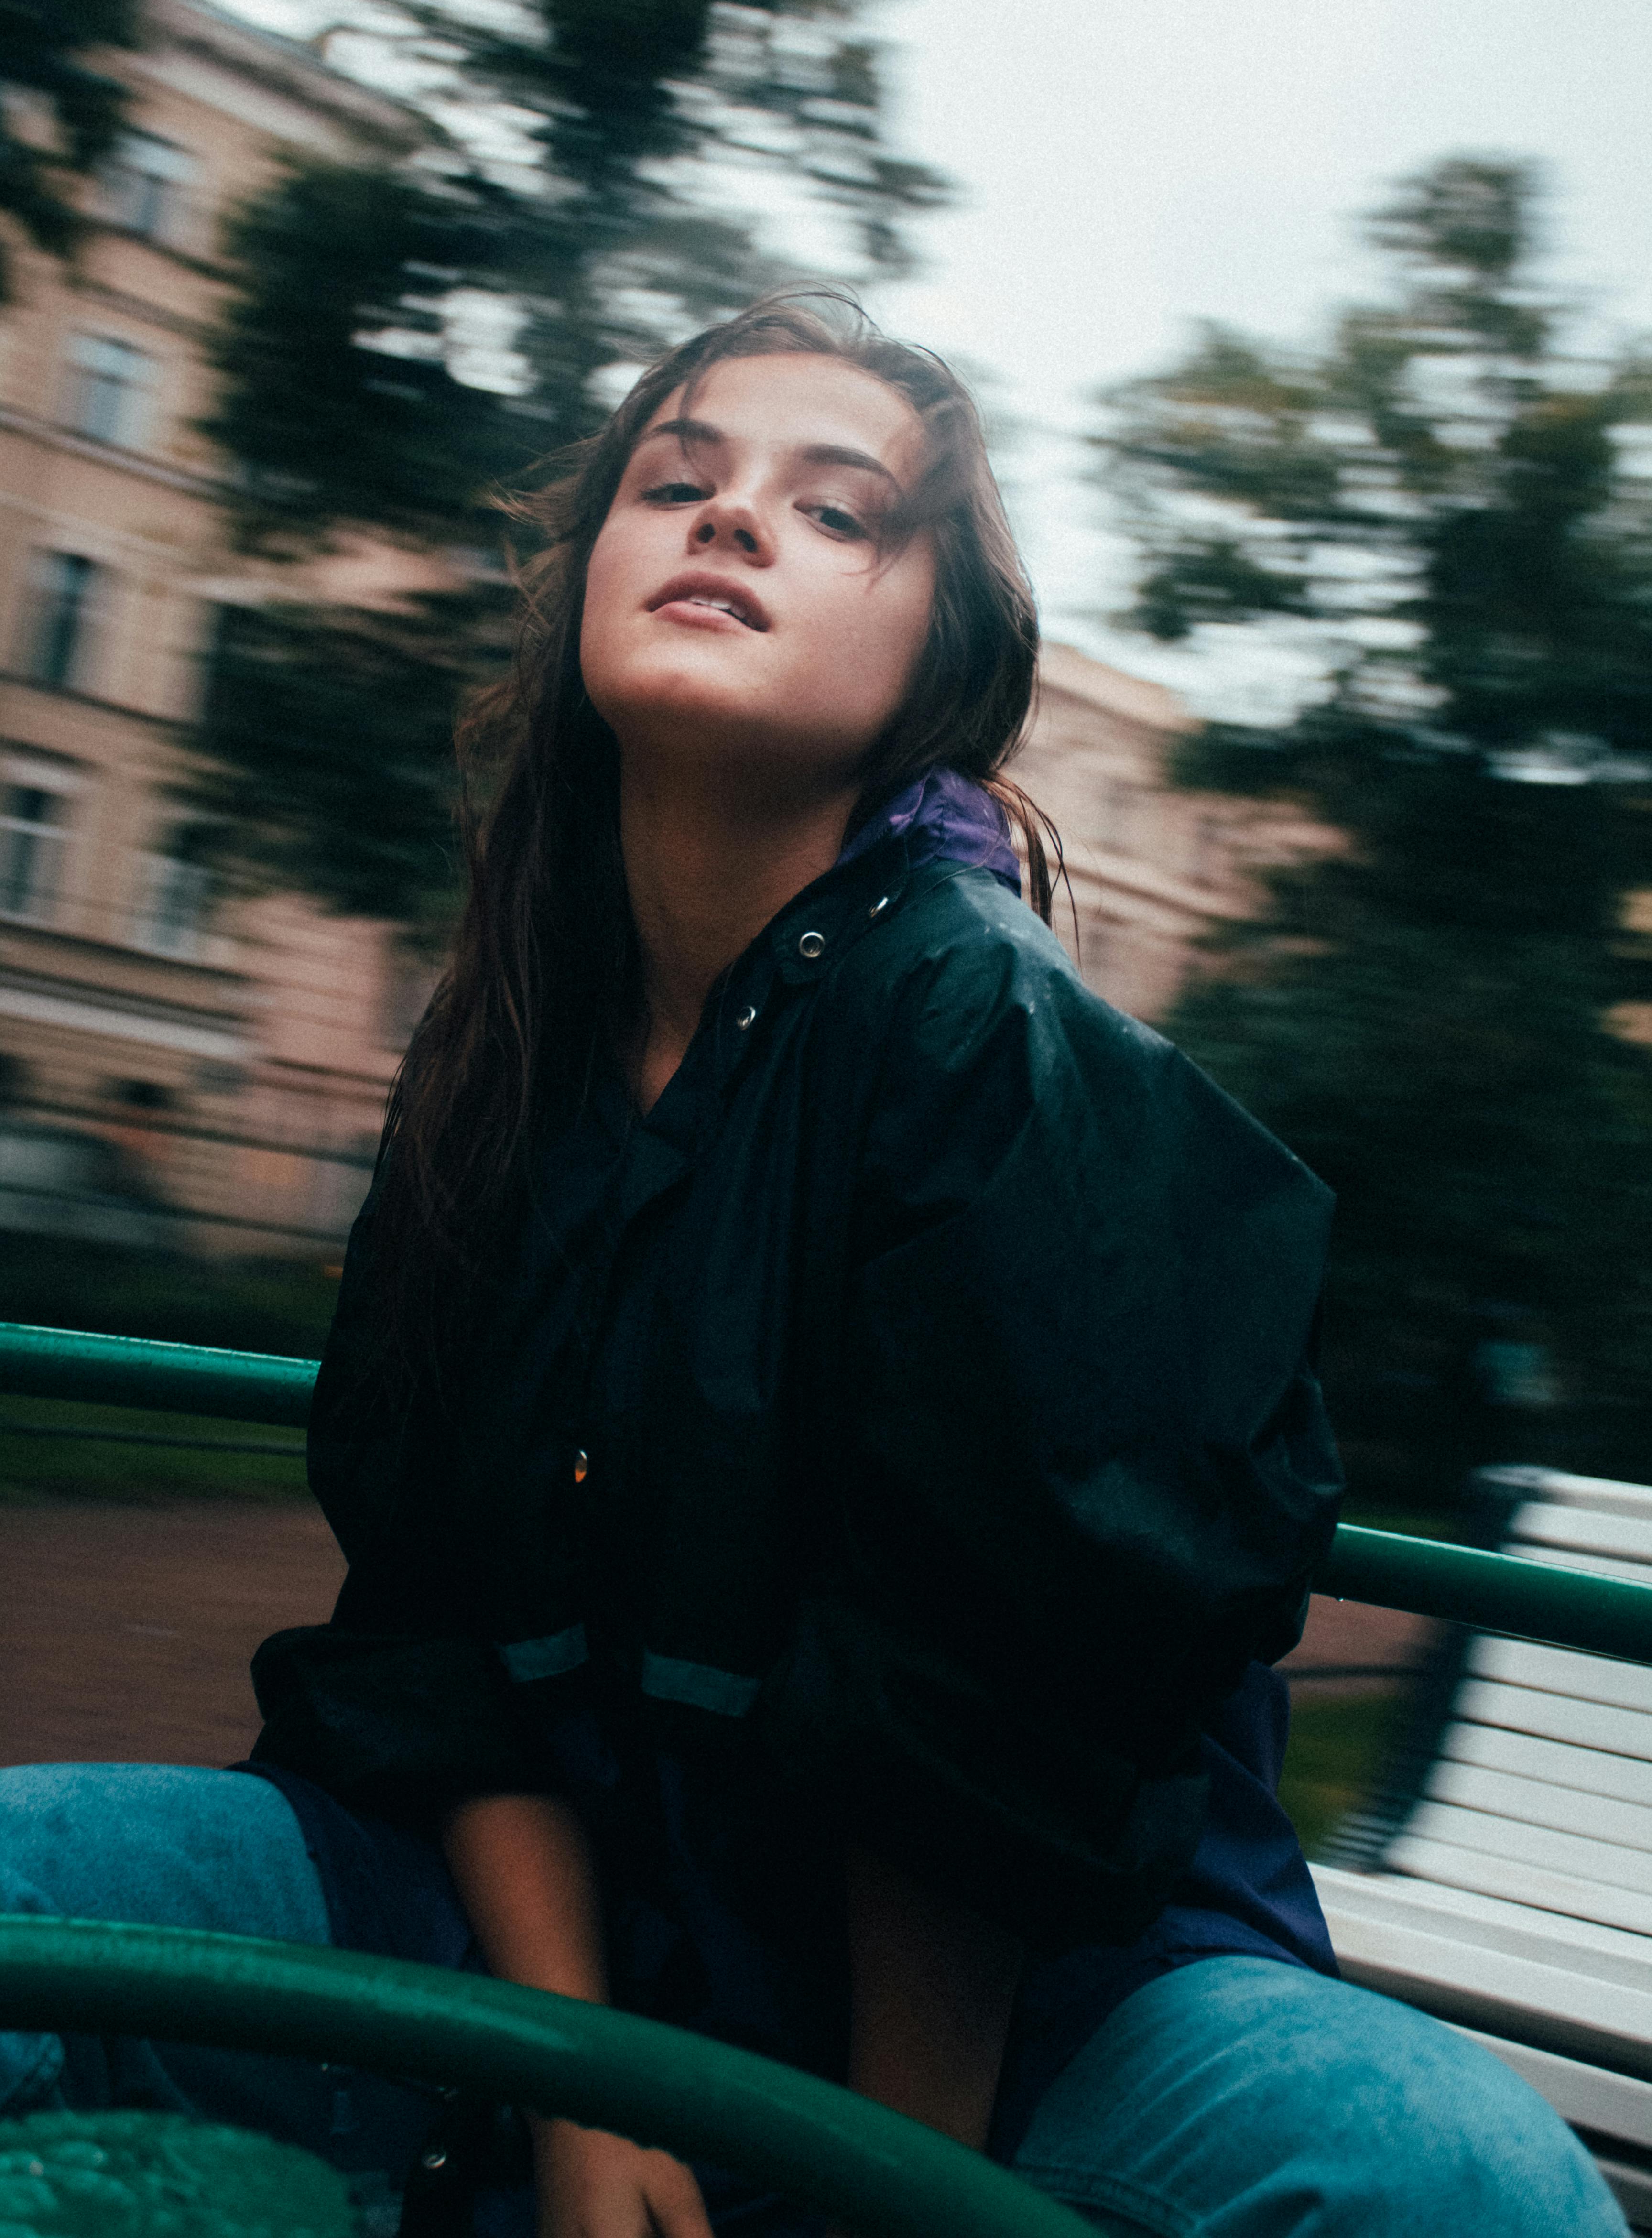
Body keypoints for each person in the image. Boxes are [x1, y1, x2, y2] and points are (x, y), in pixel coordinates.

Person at [0, 298, 1625, 2238]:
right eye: (678, 481)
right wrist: (583, 2094)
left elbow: (985, 1746)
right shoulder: (502, 1051)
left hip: (1019, 2022)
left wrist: (871, 2200)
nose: (733, 521)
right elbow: (446, 1637)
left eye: (839, 511)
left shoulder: (996, 1055)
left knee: (1457, 2185)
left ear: (943, 658)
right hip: (561, 1930)